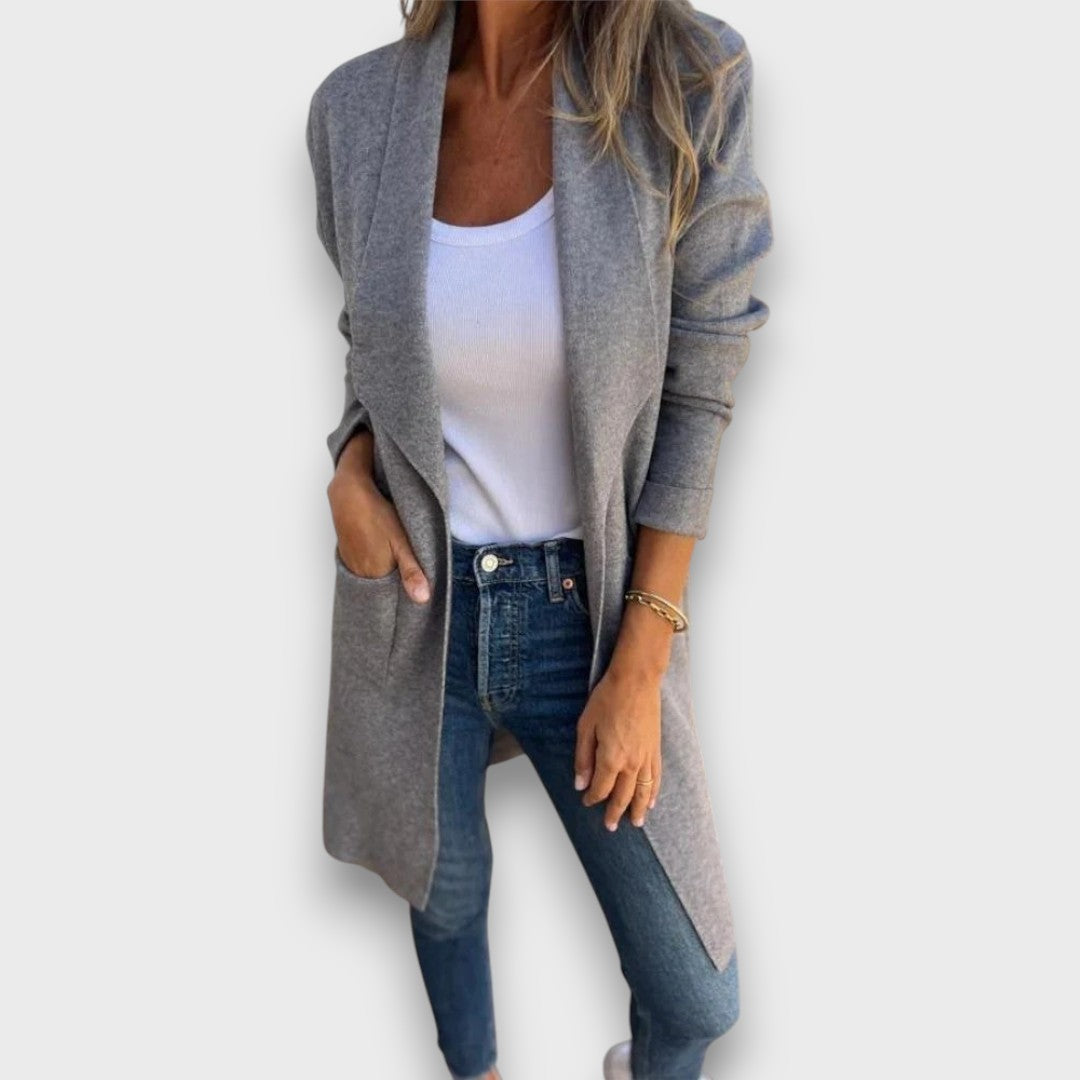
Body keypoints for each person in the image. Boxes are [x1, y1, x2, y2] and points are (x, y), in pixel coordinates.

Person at [305, 1, 773, 1076]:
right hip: (419, 603)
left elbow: (701, 379)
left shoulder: (687, 80)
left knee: (694, 992)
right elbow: (375, 356)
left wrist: (643, 651)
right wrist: (348, 473)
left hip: (591, 616)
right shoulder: (356, 110)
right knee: (444, 890)